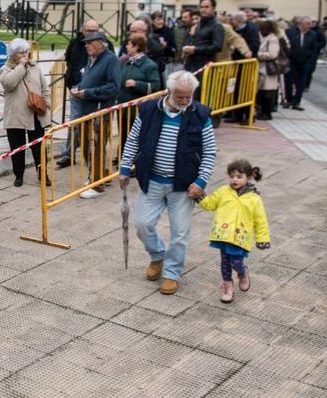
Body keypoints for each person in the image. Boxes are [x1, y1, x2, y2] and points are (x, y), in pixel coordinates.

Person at [117, 70, 217, 296]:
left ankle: (172, 273)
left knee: (180, 233)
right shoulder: (149, 110)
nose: (184, 101)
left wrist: (200, 181)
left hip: (183, 186)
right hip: (151, 180)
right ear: (169, 91)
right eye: (179, 96)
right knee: (142, 225)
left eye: (188, 96)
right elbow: (133, 140)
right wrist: (124, 168)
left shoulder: (201, 115)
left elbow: (210, 153)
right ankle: (157, 256)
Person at [197, 159, 271, 304]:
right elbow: (210, 204)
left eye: (239, 176)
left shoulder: (254, 198)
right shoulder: (223, 191)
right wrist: (200, 197)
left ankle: (243, 273)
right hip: (223, 236)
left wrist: (263, 238)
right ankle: (227, 288)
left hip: (240, 238)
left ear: (248, 177)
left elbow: (260, 220)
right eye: (232, 176)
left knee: (236, 262)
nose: (235, 179)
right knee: (225, 263)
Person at [68, 30, 121, 199]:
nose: (86, 45)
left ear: (101, 43)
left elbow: (113, 87)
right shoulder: (93, 59)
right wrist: (79, 88)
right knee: (85, 145)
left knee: (96, 147)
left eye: (90, 42)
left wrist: (87, 93)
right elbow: (89, 80)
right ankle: (95, 176)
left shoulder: (110, 59)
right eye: (85, 42)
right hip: (86, 111)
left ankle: (97, 185)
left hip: (99, 112)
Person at [1, 39, 51, 187]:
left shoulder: (35, 67)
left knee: (39, 148)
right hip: (16, 115)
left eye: (26, 51)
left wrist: (46, 103)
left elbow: (44, 88)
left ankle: (43, 174)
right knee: (17, 147)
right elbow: (9, 84)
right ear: (13, 54)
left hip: (36, 113)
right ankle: (19, 175)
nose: (25, 54)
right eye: (21, 52)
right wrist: (21, 66)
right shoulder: (6, 69)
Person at [56, 23, 94, 166]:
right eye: (88, 30)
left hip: (93, 92)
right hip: (75, 88)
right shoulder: (75, 42)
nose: (91, 33)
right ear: (82, 30)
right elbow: (69, 60)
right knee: (74, 122)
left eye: (94, 30)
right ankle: (69, 154)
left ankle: (91, 157)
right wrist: (71, 81)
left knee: (91, 124)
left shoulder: (104, 44)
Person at [182, 0, 224, 75]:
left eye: (206, 7)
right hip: (191, 64)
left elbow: (217, 47)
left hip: (205, 66)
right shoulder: (199, 24)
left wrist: (195, 49)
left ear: (213, 8)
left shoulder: (217, 26)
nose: (203, 9)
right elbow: (196, 41)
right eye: (201, 7)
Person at [282, 17, 314, 111]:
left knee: (301, 83)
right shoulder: (290, 32)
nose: (310, 26)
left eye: (310, 23)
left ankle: (297, 102)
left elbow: (313, 48)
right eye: (308, 24)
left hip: (304, 62)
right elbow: (285, 45)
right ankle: (288, 99)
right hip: (291, 61)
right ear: (301, 23)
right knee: (288, 81)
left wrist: (309, 57)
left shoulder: (312, 34)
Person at [120, 35, 162, 103]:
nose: (126, 46)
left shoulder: (150, 65)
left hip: (139, 106)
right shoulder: (125, 62)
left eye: (129, 44)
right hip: (123, 106)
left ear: (136, 47)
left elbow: (155, 86)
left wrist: (136, 84)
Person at [256, 20, 283, 121]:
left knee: (268, 92)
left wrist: (258, 54)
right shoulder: (263, 37)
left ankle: (266, 113)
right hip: (262, 68)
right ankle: (262, 111)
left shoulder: (272, 39)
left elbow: (272, 54)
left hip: (268, 69)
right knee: (262, 91)